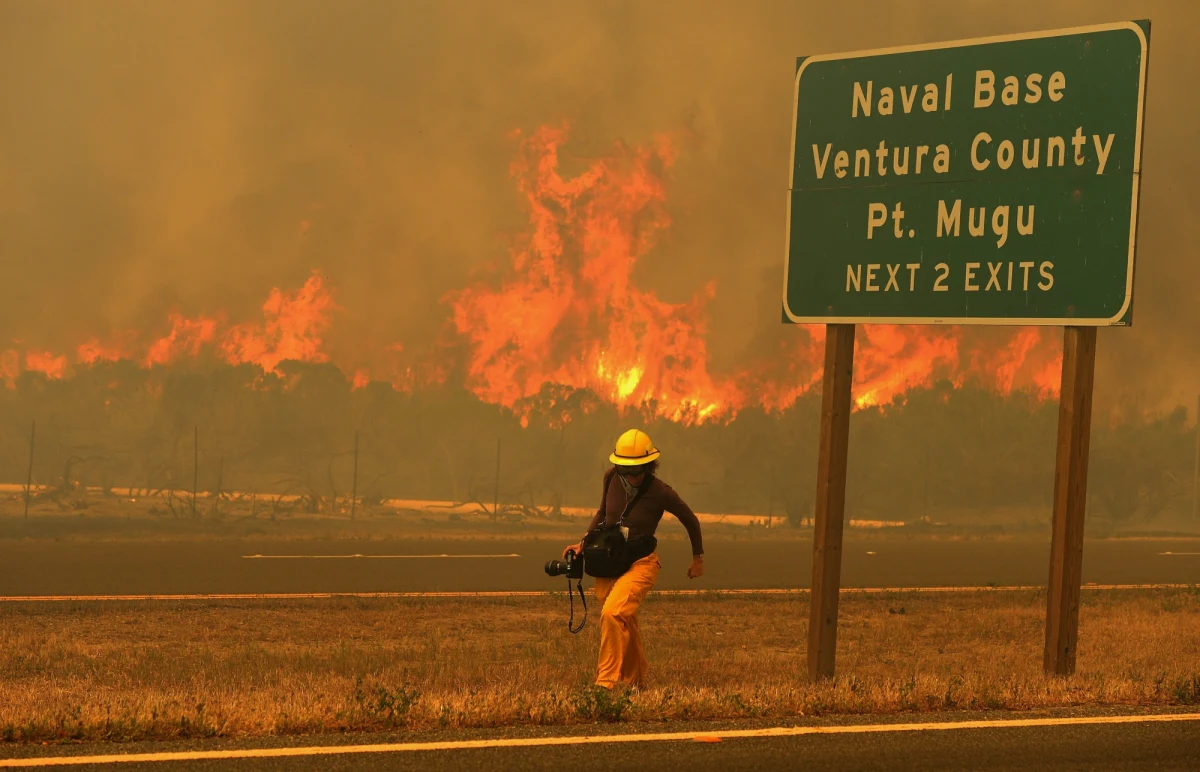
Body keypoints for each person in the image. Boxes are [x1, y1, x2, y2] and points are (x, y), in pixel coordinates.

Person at [563, 428, 705, 691]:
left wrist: (697, 558)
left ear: (649, 467)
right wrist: (583, 542)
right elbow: (603, 512)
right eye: (625, 470)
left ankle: (604, 684)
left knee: (613, 614)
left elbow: (690, 520)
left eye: (637, 471)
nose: (630, 476)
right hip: (610, 561)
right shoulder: (611, 478)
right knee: (624, 621)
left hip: (642, 563)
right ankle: (637, 682)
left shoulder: (661, 492)